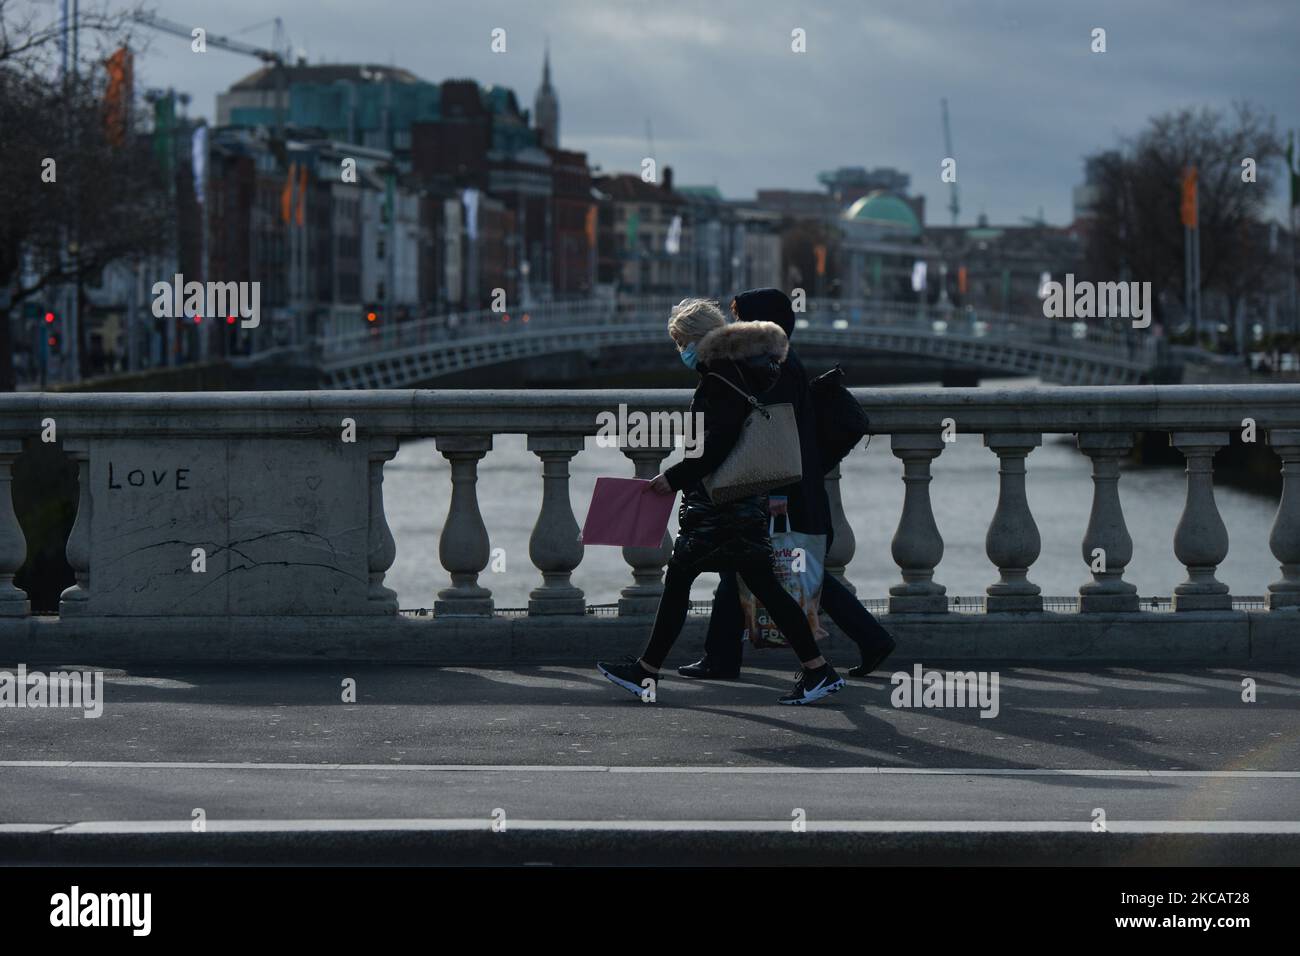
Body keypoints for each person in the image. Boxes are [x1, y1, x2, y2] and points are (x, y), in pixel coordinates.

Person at [596, 297, 845, 706]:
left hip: (721, 505)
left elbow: (718, 446)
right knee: (763, 587)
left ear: (698, 339)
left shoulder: (719, 378)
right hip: (742, 501)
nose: (681, 351)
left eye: (681, 341)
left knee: (679, 580)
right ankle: (818, 670)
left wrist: (672, 478)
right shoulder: (744, 370)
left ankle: (646, 672)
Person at [677, 288, 896, 681]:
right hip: (794, 482)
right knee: (782, 568)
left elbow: (767, 436)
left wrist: (770, 494)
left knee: (755, 567)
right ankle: (868, 639)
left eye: (741, 316)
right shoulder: (780, 358)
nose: (736, 325)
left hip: (778, 486)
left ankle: (726, 658)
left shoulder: (769, 364)